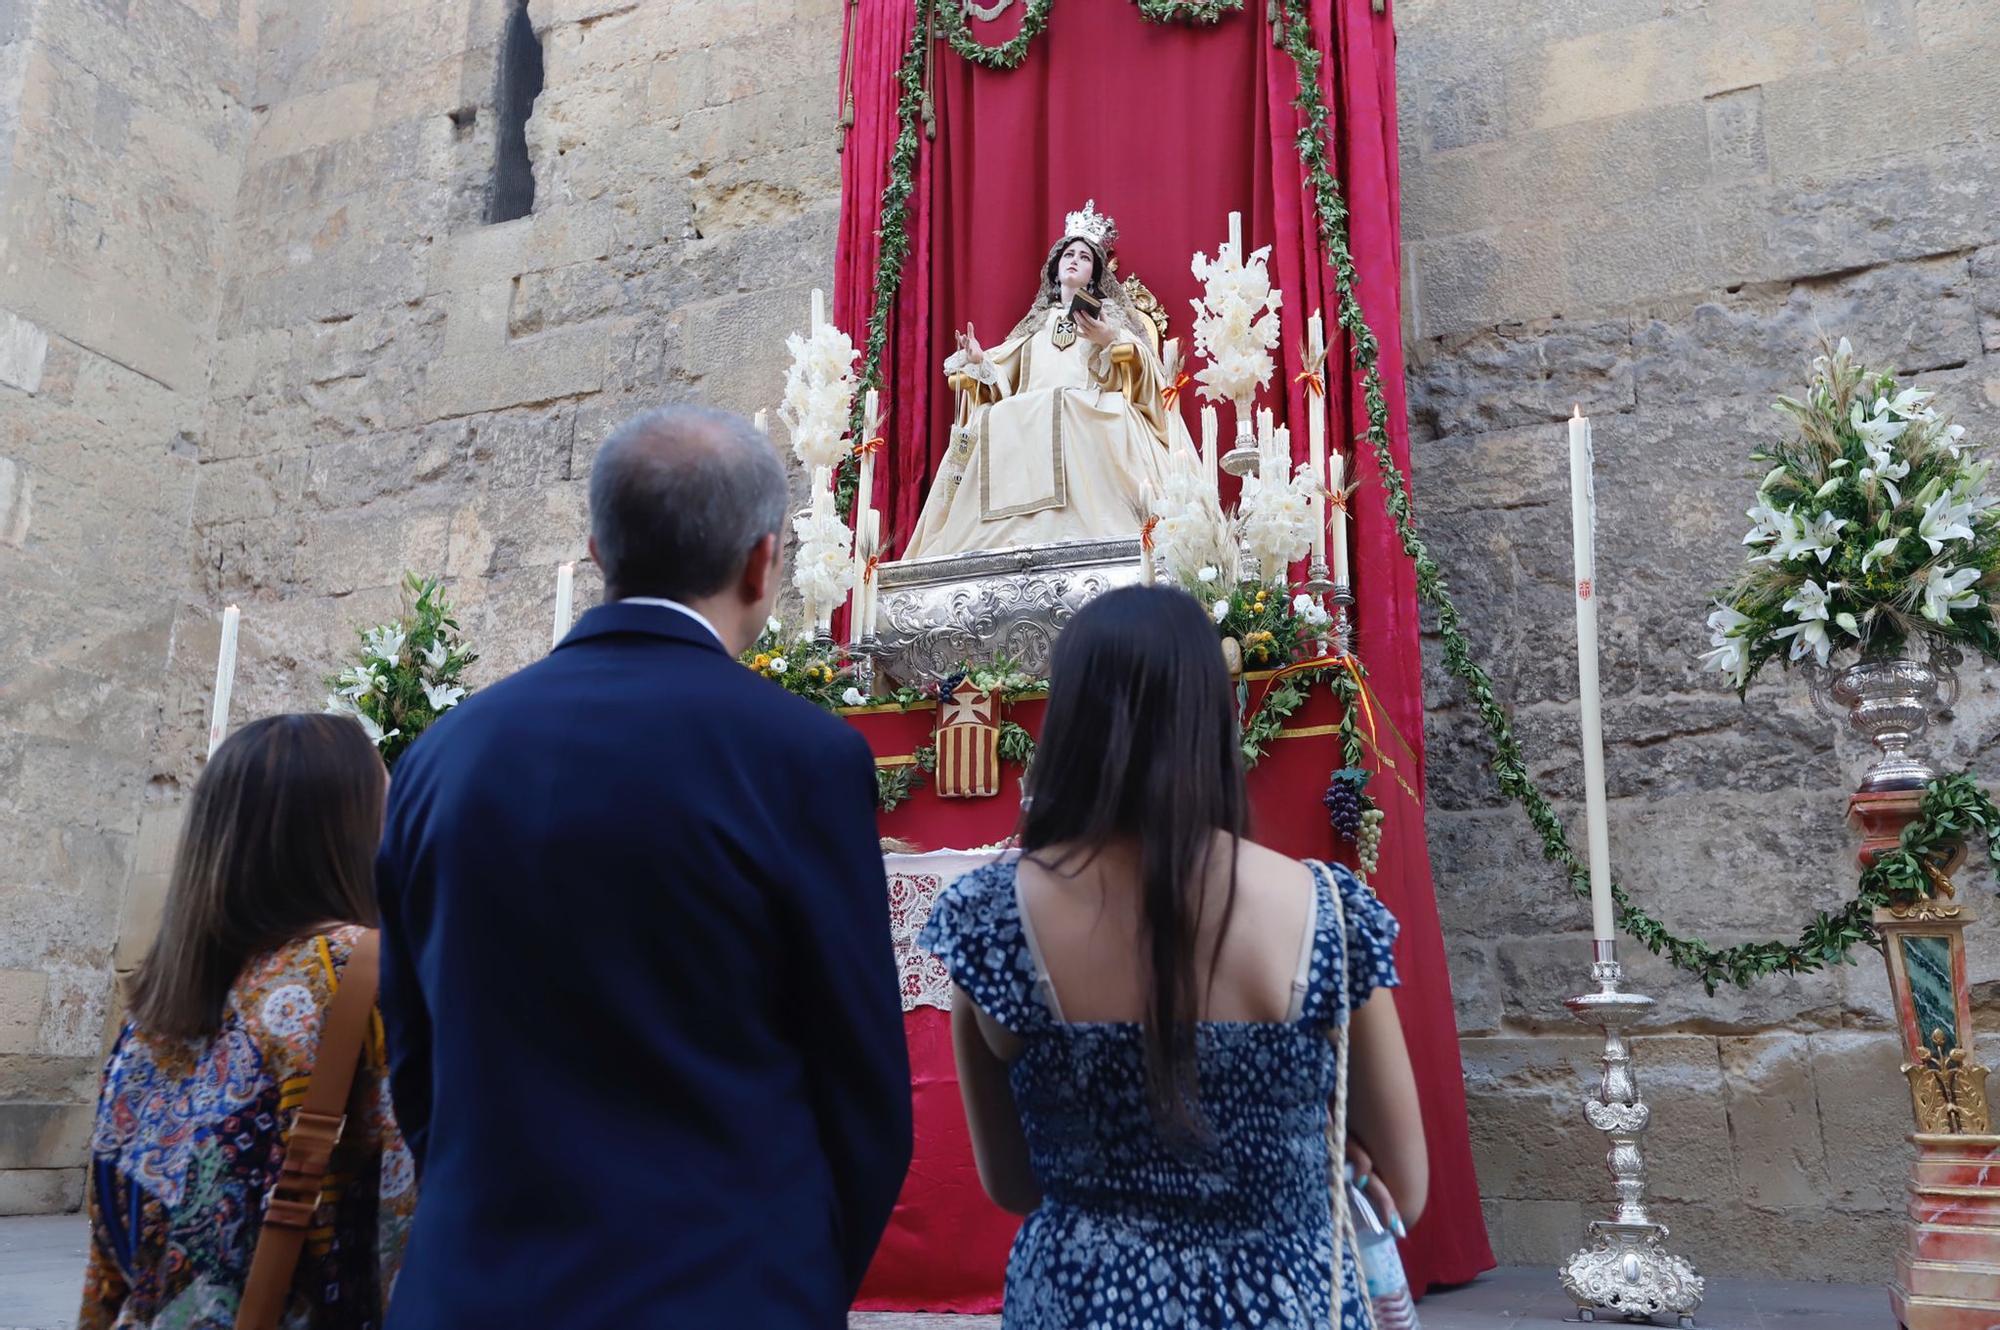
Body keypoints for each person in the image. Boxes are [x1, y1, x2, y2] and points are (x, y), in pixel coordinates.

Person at [374, 404, 912, 1329]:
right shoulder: (801, 758)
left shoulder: (439, 756)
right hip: (722, 1289)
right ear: (761, 561)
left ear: (596, 550)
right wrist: (792, 1279)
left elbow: (415, 1064)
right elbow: (862, 1095)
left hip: (473, 1290)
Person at [920, 585, 1428, 1329]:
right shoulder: (1327, 910)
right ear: (1213, 718)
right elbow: (1405, 1189)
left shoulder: (991, 918)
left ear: (1066, 722)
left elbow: (1013, 1183)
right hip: (1283, 1299)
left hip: (1084, 1299)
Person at [79, 714, 413, 1330]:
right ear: (346, 836)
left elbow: (110, 1247)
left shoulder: (155, 1009)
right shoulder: (360, 976)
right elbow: (405, 1219)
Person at [902, 200, 1199, 559]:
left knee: (1071, 406)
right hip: (1038, 409)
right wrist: (981, 361)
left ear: (1096, 274)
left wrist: (1108, 339)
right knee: (995, 417)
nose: (1075, 260)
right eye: (1068, 254)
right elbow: (1006, 378)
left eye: (1085, 257)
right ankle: (1003, 540)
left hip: (1087, 407)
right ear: (1055, 268)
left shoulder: (1110, 320)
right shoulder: (1037, 325)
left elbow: (1143, 372)